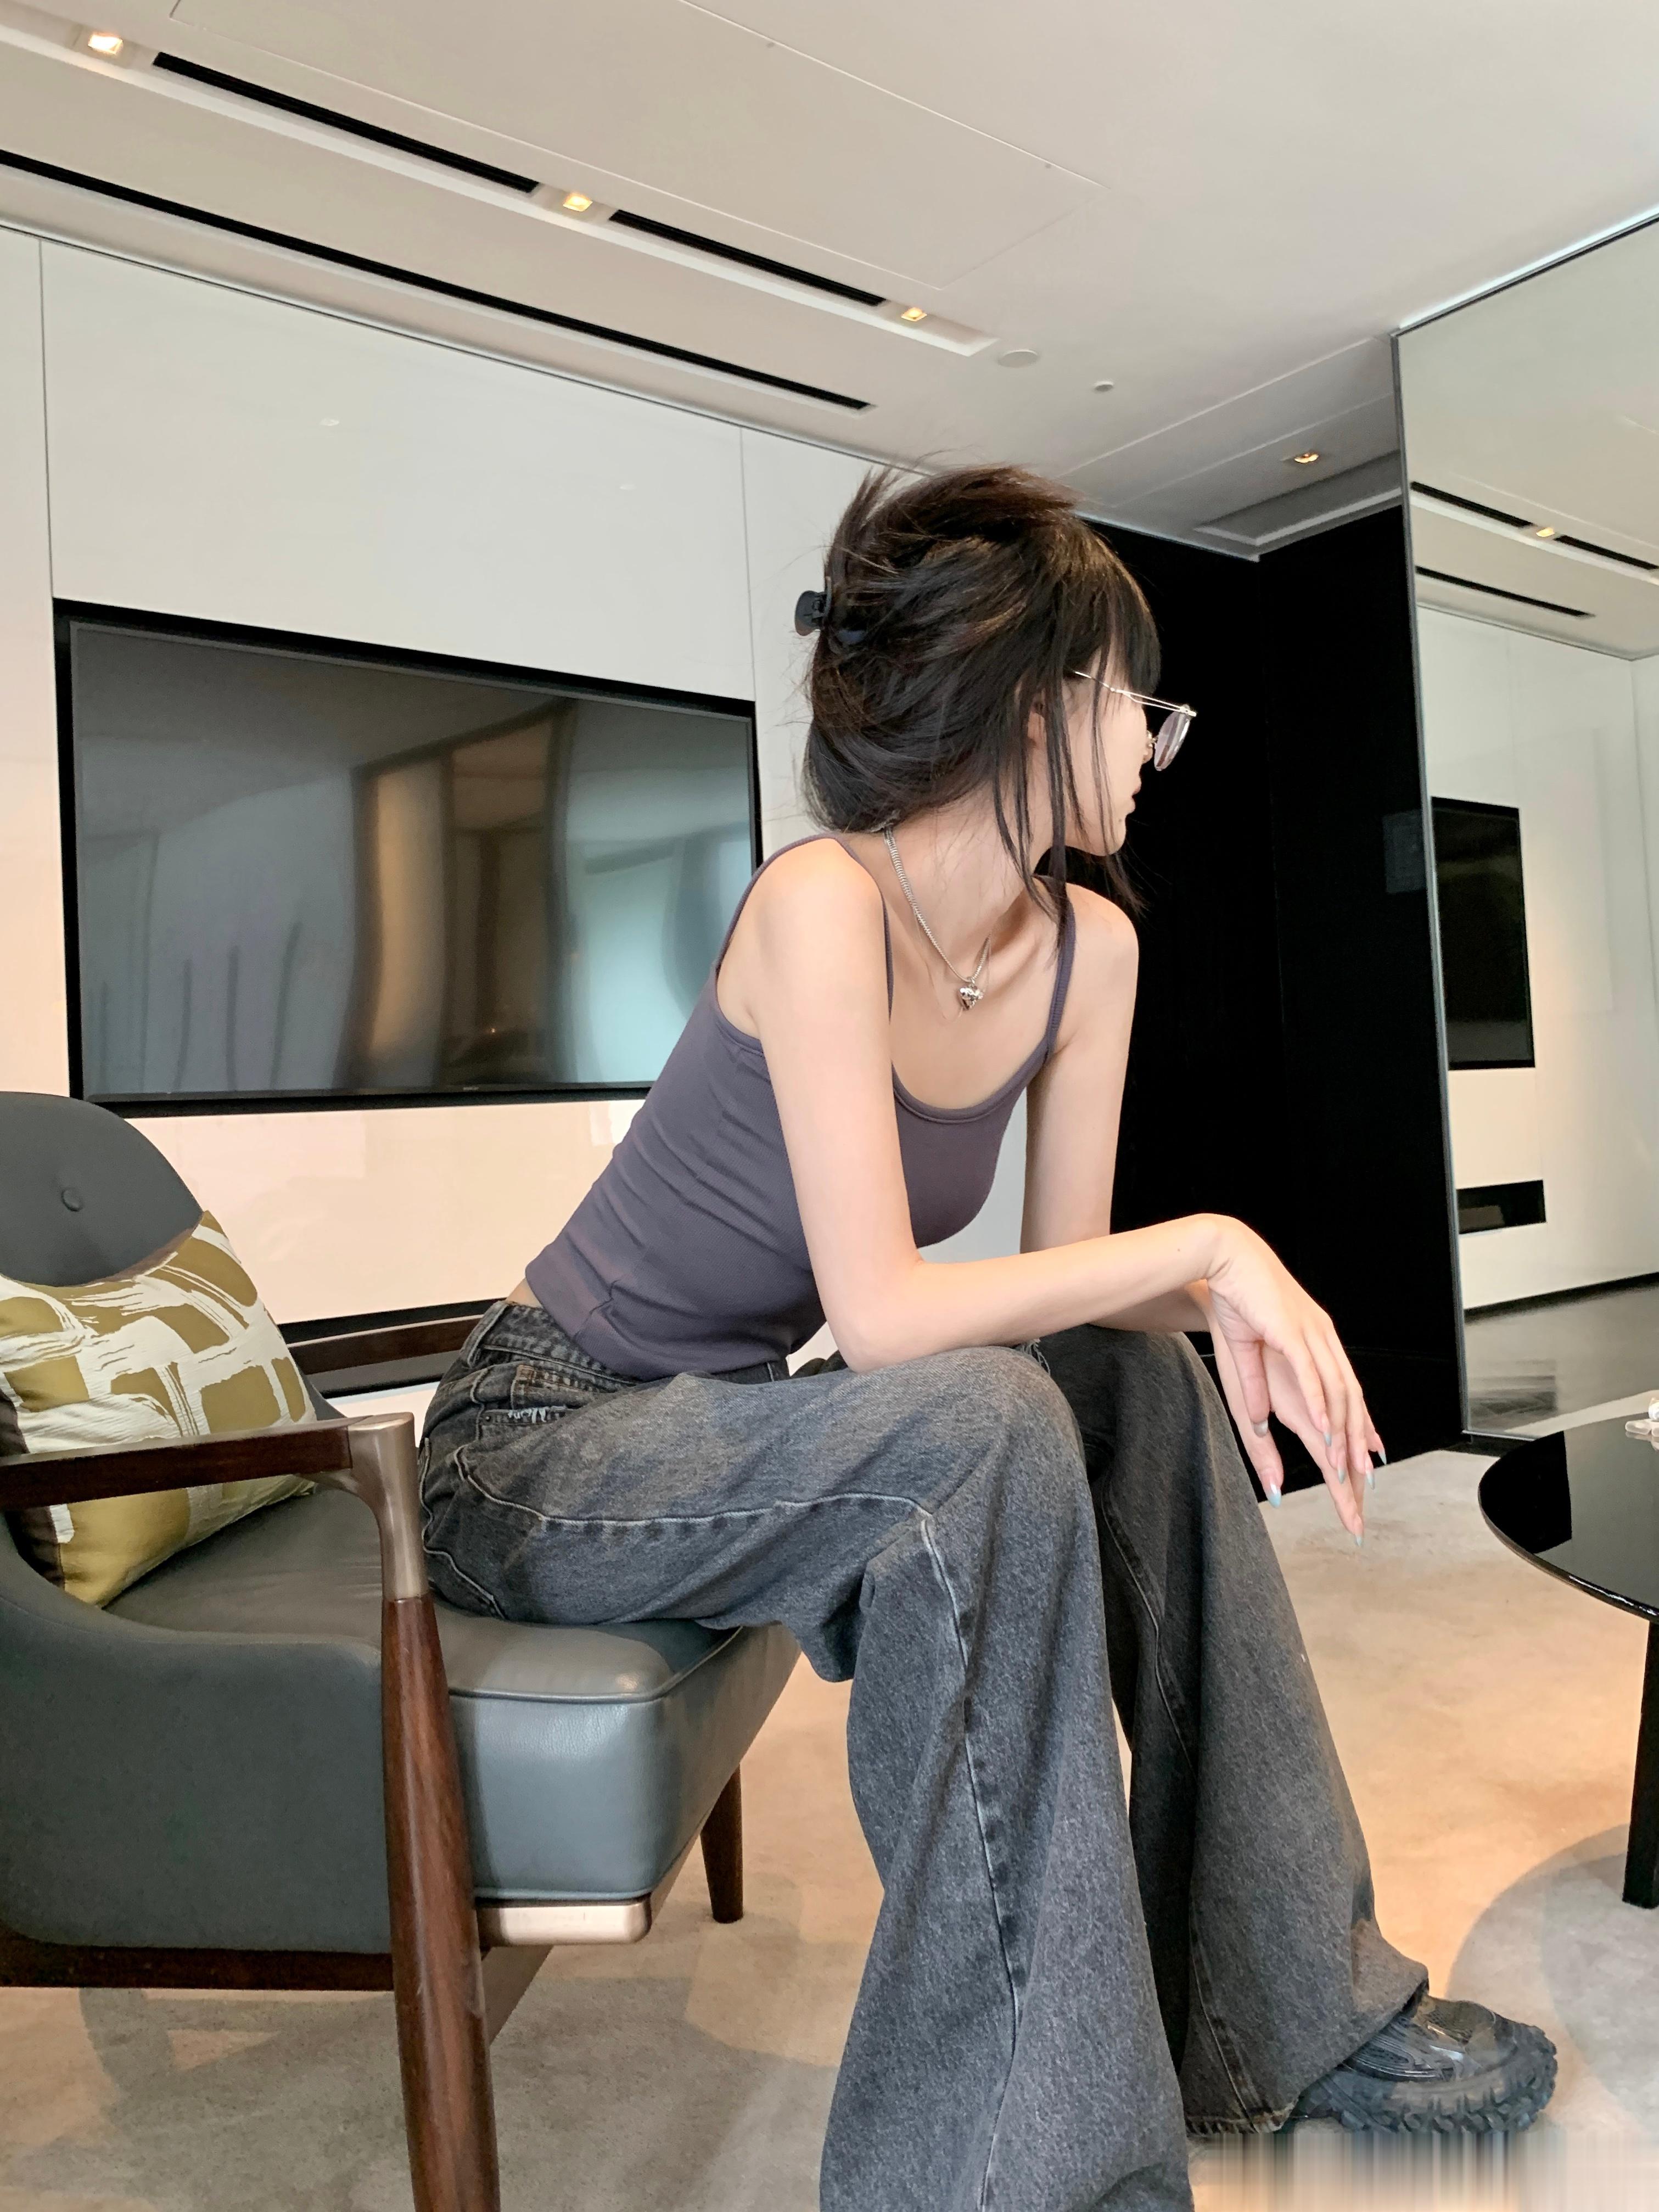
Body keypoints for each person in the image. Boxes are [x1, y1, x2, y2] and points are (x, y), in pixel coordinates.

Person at [419, 466, 1555, 2210]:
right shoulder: (822, 905)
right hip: (542, 1442)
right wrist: (1219, 1240)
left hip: (745, 1415)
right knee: (981, 1425)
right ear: (1037, 703)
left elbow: (1066, 1287)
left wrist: (1226, 1297)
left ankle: (1288, 2016)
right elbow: (888, 1317)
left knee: (1126, 1385)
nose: (1155, 748)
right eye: (1138, 704)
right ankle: (1020, 2171)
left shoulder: (1086, 949)